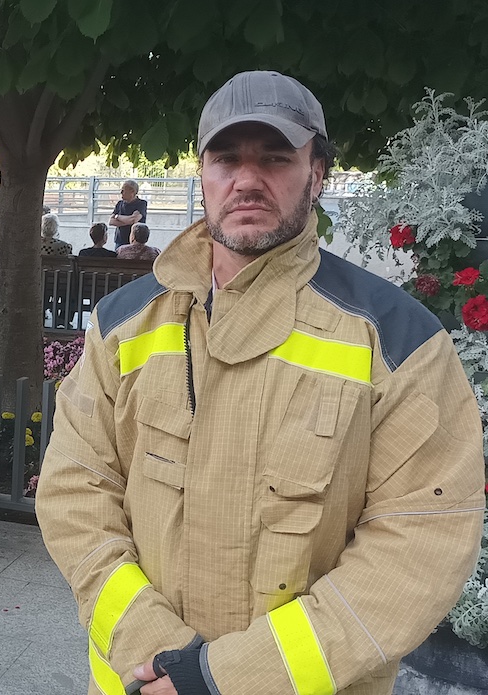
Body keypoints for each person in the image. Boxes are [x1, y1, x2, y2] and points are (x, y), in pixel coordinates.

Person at [36, 70, 485, 695]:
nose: (247, 179)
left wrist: (226, 679)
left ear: (318, 172)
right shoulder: (122, 325)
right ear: (202, 173)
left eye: (275, 158)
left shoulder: (399, 342)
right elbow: (73, 492)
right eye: (227, 159)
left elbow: (418, 545)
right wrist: (158, 655)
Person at [109, 179, 147, 249]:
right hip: (120, 241)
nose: (121, 192)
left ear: (132, 191)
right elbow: (111, 221)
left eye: (123, 190)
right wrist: (129, 220)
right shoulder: (119, 204)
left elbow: (134, 219)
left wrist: (117, 217)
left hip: (136, 242)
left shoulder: (141, 204)